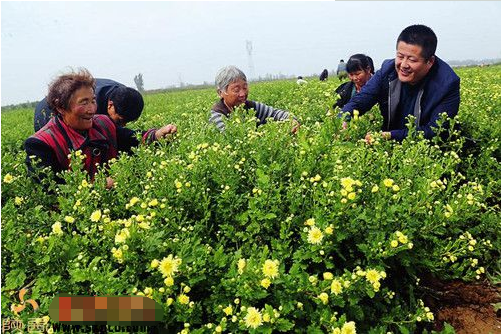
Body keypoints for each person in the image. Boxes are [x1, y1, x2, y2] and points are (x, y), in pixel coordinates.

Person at [25, 69, 177, 186]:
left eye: (93, 101)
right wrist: (102, 185)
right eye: (84, 102)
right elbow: (54, 192)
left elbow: (129, 138)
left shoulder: (103, 122)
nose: (92, 109)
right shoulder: (40, 144)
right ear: (60, 107)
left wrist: (156, 135)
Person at [339, 25, 460, 142]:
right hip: (391, 143)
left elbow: (435, 131)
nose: (403, 65)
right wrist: (344, 118)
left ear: (430, 61)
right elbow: (360, 100)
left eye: (412, 60)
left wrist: (391, 136)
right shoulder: (387, 71)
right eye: (400, 56)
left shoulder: (447, 84)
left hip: (426, 149)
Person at [209, 66, 299, 133]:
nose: (242, 94)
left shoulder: (252, 107)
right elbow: (232, 137)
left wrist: (292, 121)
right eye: (236, 90)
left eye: (245, 87)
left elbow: (277, 114)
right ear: (220, 93)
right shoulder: (217, 116)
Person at [34, 78, 144, 132]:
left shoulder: (124, 95)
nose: (123, 125)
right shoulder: (91, 105)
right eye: (120, 120)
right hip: (46, 111)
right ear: (110, 105)